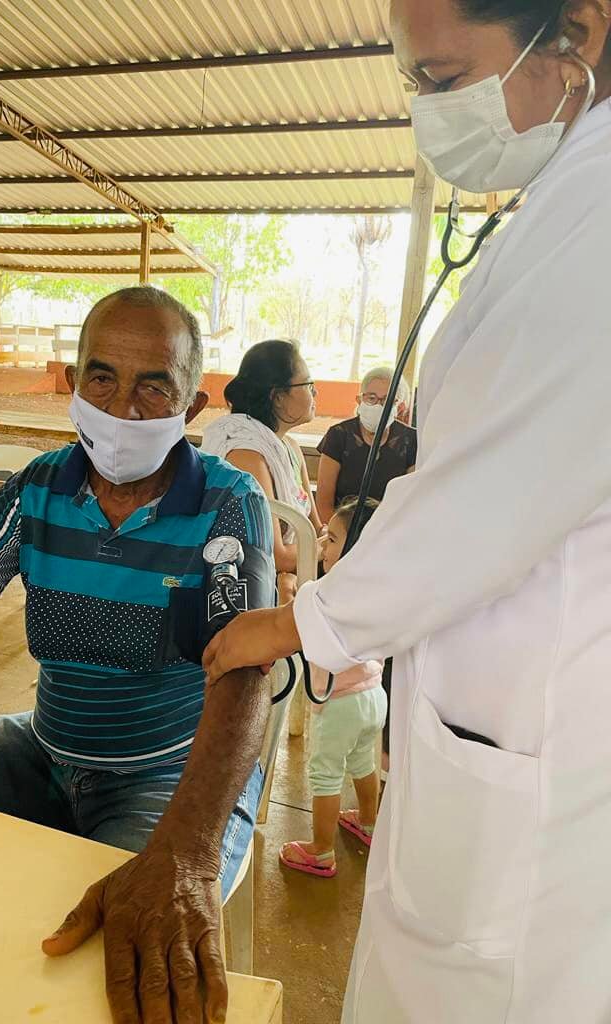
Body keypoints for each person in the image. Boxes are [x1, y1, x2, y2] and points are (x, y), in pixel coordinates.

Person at [204, 2, 611, 1021]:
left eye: (441, 79)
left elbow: (494, 496)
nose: (428, 111)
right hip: (494, 692)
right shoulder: (568, 195)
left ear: (579, 32)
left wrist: (303, 621)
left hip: (540, 718)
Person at [0, 286, 276, 1024]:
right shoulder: (40, 488)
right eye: (103, 377)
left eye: (154, 386)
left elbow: (242, 677)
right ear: (73, 385)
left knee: (124, 974)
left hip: (165, 774)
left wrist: (192, 850)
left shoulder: (226, 506)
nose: (124, 408)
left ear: (191, 406)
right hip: (40, 751)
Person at [279, 497, 387, 879]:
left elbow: (297, 628)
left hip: (339, 701)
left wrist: (289, 593)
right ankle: (370, 822)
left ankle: (321, 851)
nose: (324, 546)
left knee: (325, 773)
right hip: (374, 696)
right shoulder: (380, 591)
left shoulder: (330, 594)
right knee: (363, 761)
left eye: (334, 539)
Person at [201, 339, 323, 603]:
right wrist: (326, 547)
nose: (316, 393)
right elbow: (275, 555)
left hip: (297, 577)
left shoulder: (289, 448)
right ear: (277, 396)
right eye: (308, 385)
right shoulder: (246, 455)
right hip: (254, 591)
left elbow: (316, 528)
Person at [316, 367, 417, 524]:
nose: (378, 405)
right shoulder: (339, 434)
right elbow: (324, 504)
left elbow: (412, 499)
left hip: (390, 530)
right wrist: (337, 538)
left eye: (387, 400)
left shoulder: (411, 439)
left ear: (400, 407)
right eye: (371, 398)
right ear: (359, 400)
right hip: (342, 530)